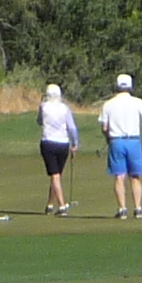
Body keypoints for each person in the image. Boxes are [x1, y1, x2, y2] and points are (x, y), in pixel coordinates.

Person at [97, 72, 142, 219]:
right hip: (133, 141)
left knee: (119, 176)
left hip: (116, 141)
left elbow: (104, 127)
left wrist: (108, 138)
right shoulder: (137, 102)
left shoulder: (108, 104)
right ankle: (138, 208)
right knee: (135, 176)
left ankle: (122, 209)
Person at [36, 82, 79, 214]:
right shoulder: (64, 108)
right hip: (63, 144)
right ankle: (50, 205)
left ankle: (61, 206)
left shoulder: (43, 107)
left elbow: (39, 121)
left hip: (48, 143)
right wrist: (75, 143)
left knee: (55, 176)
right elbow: (72, 127)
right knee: (56, 175)